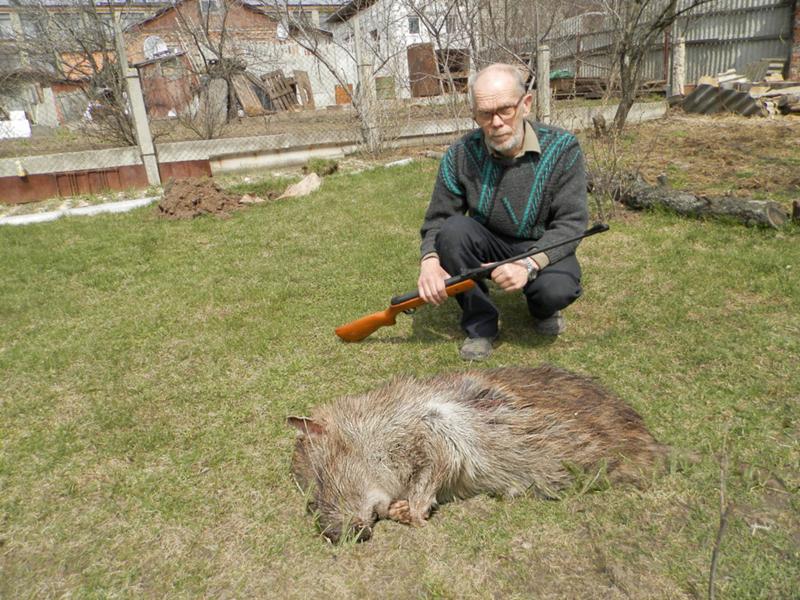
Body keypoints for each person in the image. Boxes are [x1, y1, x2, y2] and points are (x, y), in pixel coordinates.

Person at [417, 63, 589, 361]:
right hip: (487, 240)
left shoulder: (563, 148)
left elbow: (571, 224)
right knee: (453, 231)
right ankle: (480, 323)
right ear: (474, 114)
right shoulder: (461, 154)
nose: (496, 122)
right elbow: (439, 219)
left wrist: (528, 264)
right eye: (485, 114)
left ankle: (541, 307)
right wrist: (430, 261)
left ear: (526, 104)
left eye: (505, 110)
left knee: (556, 290)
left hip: (541, 242)